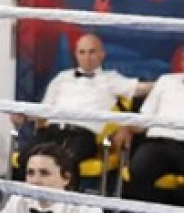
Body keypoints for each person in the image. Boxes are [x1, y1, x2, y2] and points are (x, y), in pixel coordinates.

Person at [10, 33, 152, 173]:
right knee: (26, 158)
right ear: (76, 54)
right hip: (51, 132)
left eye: (92, 52)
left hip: (82, 136)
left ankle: (64, 195)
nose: (87, 57)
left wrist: (167, 82)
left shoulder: (112, 79)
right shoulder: (62, 78)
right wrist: (25, 116)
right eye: (82, 52)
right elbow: (44, 109)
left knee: (63, 163)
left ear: (102, 54)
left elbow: (142, 88)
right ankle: (28, 195)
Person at [115, 71, 184, 213]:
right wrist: (127, 128)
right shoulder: (166, 81)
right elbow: (145, 116)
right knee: (138, 169)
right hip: (158, 140)